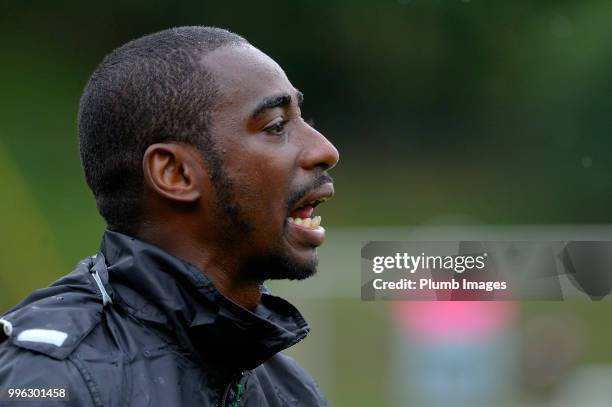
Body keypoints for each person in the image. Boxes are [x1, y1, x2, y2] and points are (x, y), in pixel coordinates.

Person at [0, 26, 339, 406]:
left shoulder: (289, 391)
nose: (324, 150)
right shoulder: (49, 380)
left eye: (301, 119)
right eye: (276, 126)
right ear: (174, 174)